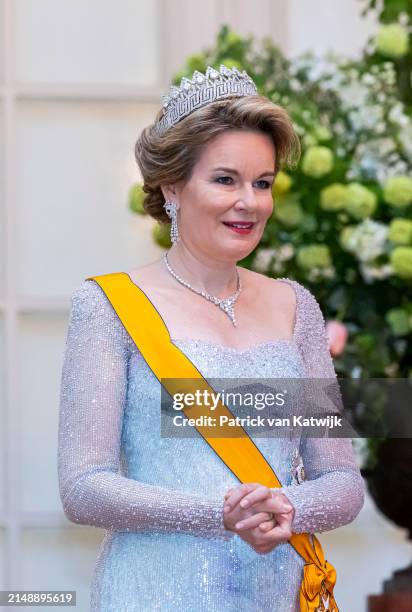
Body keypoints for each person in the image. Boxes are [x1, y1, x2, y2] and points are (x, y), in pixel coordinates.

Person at [57, 65, 365, 612]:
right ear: (172, 186)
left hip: (279, 593)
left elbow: (341, 482)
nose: (250, 201)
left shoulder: (295, 307)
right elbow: (83, 487)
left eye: (262, 183)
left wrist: (287, 507)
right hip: (155, 592)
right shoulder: (110, 306)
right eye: (226, 179)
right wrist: (216, 514)